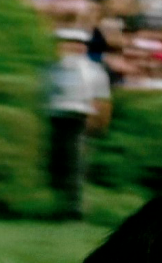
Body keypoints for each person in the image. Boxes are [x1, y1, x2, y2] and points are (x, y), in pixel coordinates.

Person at [43, 28, 112, 220]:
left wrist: (98, 124)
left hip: (79, 120)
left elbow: (101, 100)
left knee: (75, 164)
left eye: (74, 43)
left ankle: (74, 209)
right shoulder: (52, 68)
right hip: (56, 117)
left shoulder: (93, 70)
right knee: (57, 164)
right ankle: (58, 206)